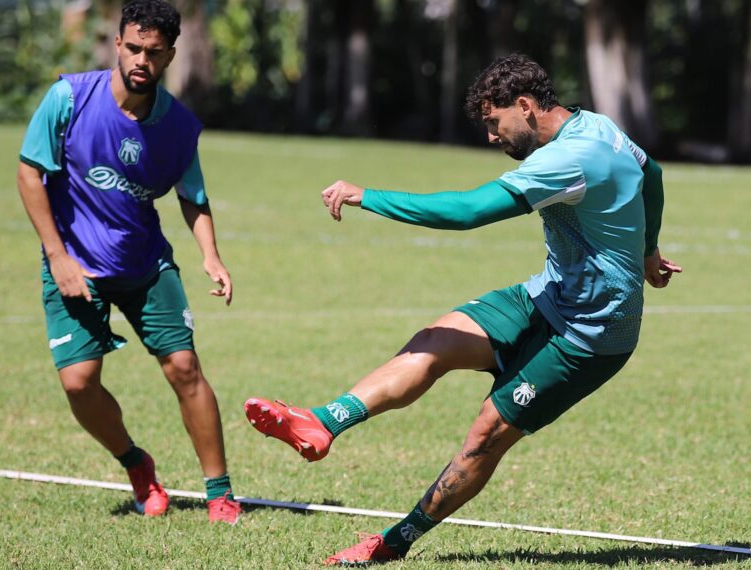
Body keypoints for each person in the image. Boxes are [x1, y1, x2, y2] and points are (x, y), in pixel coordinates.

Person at [243, 53, 682, 563]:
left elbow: (468, 211)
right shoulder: (596, 125)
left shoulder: (569, 159)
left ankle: (394, 542)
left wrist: (369, 196)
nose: (492, 137)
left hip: (591, 336)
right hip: (545, 296)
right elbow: (652, 172)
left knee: (484, 437)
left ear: (525, 105)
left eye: (495, 123)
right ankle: (323, 421)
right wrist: (649, 249)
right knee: (437, 340)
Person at [16, 0, 241, 524]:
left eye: (154, 52)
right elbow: (30, 175)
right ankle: (137, 465)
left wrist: (211, 256)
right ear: (118, 43)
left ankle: (220, 492)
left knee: (185, 368)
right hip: (73, 265)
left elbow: (194, 196)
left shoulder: (179, 127)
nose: (141, 59)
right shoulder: (68, 98)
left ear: (169, 56)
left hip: (144, 264)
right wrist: (58, 257)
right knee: (78, 382)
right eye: (134, 47)